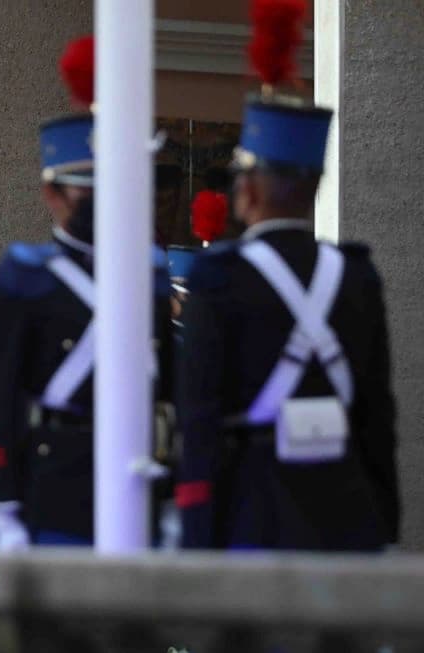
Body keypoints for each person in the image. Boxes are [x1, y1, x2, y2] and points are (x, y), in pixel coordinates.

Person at [175, 4, 399, 550]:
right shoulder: (355, 276)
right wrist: (386, 526)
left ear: (247, 190)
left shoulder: (217, 280)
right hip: (349, 518)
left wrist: (195, 535)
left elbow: (198, 424)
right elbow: (376, 421)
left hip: (255, 514)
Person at [0, 34, 171, 551]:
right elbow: (0, 398)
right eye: (85, 187)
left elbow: (167, 387)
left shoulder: (146, 270)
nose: (99, 198)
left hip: (135, 475)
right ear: (52, 193)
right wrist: (3, 506)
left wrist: (174, 497)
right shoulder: (27, 274)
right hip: (54, 478)